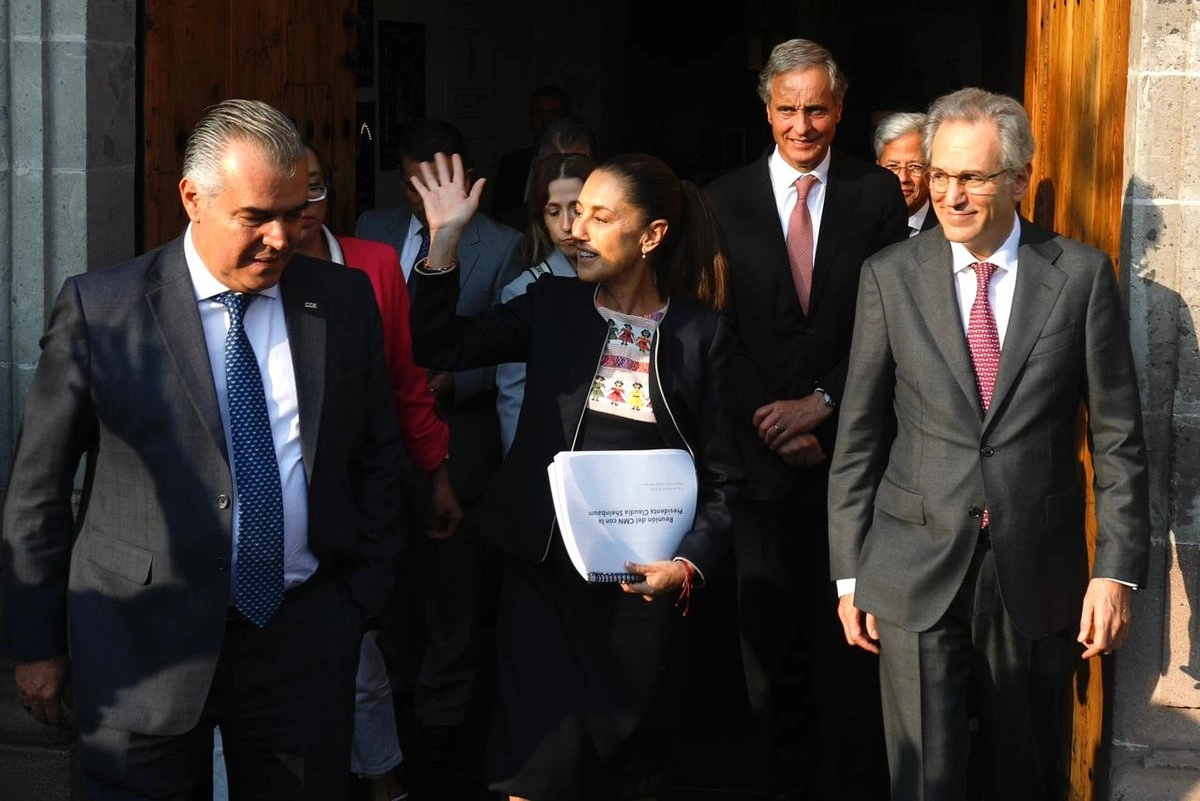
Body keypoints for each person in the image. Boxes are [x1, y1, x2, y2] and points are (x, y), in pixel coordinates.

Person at [0, 99, 403, 799]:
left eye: (294, 209)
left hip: (300, 639)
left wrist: (356, 602)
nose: (281, 237)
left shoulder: (340, 299)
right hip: (141, 647)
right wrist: (36, 643)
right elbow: (37, 489)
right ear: (193, 197)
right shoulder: (104, 309)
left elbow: (375, 455)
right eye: (256, 217)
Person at [827, 87, 1150, 801]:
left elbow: (1120, 439)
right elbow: (859, 435)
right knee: (923, 781)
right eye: (940, 175)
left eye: (971, 177)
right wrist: (850, 571)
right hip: (911, 564)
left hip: (1035, 569)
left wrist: (1117, 570)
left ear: (1017, 178)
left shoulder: (1081, 276)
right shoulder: (889, 276)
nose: (951, 194)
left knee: (1024, 776)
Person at [408, 150, 741, 801]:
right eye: (574, 213)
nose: (576, 230)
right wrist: (444, 240)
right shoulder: (550, 304)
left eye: (599, 216)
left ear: (651, 236)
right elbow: (439, 344)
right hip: (542, 575)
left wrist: (687, 565)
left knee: (629, 768)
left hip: (642, 591)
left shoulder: (702, 335)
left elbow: (726, 479)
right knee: (533, 761)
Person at [212, 142, 459, 801]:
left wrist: (362, 589)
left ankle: (386, 778)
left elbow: (396, 397)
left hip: (326, 578)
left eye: (308, 197)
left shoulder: (362, 275)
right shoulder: (165, 302)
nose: (291, 223)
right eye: (266, 209)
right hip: (206, 610)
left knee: (349, 697)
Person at [703, 37, 909, 800]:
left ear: (840, 106)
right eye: (786, 109)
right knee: (768, 652)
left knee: (848, 643)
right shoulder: (721, 201)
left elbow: (893, 319)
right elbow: (712, 327)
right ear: (766, 108)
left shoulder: (874, 194)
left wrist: (822, 404)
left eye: (816, 108)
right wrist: (773, 421)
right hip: (759, 465)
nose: (802, 124)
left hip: (850, 460)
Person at [356, 117, 523, 762]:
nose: (415, 197)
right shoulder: (370, 229)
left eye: (427, 182)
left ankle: (444, 719)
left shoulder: (503, 244)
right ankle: (392, 699)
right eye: (406, 182)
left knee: (453, 588)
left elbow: (512, 343)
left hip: (456, 440)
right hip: (378, 440)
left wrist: (456, 379)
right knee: (389, 576)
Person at [496, 151, 597, 453]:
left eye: (577, 209)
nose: (567, 225)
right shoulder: (525, 290)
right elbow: (514, 397)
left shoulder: (625, 280)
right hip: (552, 455)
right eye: (553, 212)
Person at [493, 114, 599, 234]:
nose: (564, 176)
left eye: (577, 167)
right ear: (536, 170)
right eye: (553, 168)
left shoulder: (612, 228)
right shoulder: (511, 236)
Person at [490, 84, 571, 222]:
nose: (546, 120)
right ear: (530, 118)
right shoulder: (510, 164)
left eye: (554, 114)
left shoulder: (575, 164)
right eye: (539, 113)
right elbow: (499, 216)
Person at [873, 111, 937, 236]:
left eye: (915, 167)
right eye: (892, 166)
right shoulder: (863, 225)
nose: (903, 178)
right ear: (878, 168)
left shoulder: (946, 229)